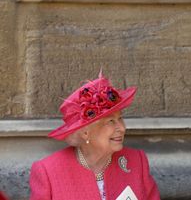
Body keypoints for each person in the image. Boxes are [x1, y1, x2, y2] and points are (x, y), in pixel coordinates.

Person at [30, 71, 160, 200]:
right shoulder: (48, 171)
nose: (122, 128)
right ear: (85, 133)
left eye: (120, 119)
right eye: (110, 121)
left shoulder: (136, 161)